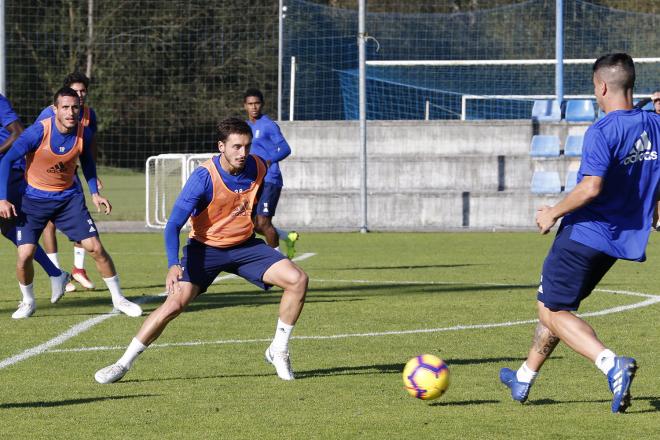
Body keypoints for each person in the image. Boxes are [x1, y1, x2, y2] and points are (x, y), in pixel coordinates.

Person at [499, 53, 660, 413]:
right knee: (558, 308)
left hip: (583, 234)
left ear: (602, 86)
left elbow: (591, 187)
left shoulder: (602, 131)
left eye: (594, 88)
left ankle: (610, 363)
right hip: (618, 242)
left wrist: (551, 213)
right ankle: (524, 377)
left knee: (551, 312)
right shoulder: (654, 125)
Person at [94, 118, 309, 384]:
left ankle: (278, 349)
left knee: (298, 280)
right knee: (174, 304)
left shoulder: (259, 165)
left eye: (247, 146)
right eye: (236, 147)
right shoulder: (203, 178)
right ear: (221, 146)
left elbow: (259, 186)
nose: (243, 153)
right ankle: (122, 364)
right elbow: (172, 225)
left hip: (244, 246)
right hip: (205, 250)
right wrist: (173, 264)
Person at [0, 87, 142, 318]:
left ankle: (119, 299)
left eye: (75, 107)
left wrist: (95, 193)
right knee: (25, 254)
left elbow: (88, 165)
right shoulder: (37, 132)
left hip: (68, 200)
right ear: (54, 109)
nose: (70, 112)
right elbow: (6, 161)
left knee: (95, 248)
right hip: (34, 200)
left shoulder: (83, 134)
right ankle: (28, 302)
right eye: (65, 107)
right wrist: (2, 198)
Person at [0, 94, 69, 318]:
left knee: (13, 227)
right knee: (10, 229)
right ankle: (55, 273)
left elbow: (17, 131)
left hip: (9, 172)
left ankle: (53, 276)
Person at [36, 72, 99, 293]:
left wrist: (94, 174)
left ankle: (78, 269)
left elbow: (90, 148)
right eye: (76, 91)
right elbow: (35, 142)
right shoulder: (48, 114)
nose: (80, 95)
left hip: (71, 176)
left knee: (81, 219)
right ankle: (56, 273)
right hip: (46, 178)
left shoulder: (89, 114)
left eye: (83, 91)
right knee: (49, 224)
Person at [243, 88, 299, 259]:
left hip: (269, 179)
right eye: (250, 104)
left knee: (264, 222)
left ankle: (278, 262)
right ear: (245, 106)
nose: (254, 107)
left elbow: (286, 149)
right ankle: (287, 237)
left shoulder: (268, 125)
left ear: (262, 105)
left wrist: (268, 161)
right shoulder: (246, 127)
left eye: (257, 103)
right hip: (254, 180)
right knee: (252, 224)